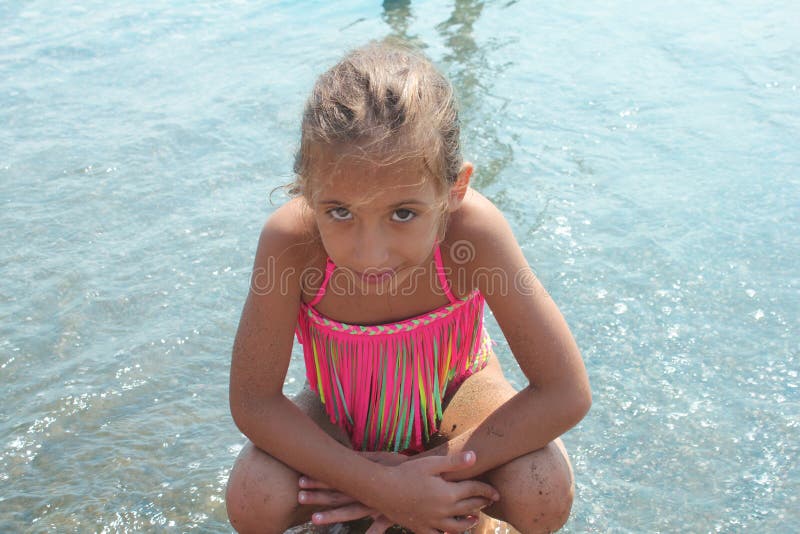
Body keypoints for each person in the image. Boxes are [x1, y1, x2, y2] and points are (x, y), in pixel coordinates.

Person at [226, 40, 591, 534]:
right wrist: (380, 486)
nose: (370, 253)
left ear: (453, 190)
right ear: (309, 191)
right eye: (339, 212)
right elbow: (254, 402)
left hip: (456, 394)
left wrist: (429, 474)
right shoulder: (291, 244)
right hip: (340, 410)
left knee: (541, 485)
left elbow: (565, 392)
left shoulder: (472, 233)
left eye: (403, 213)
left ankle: (475, 518)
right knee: (253, 496)